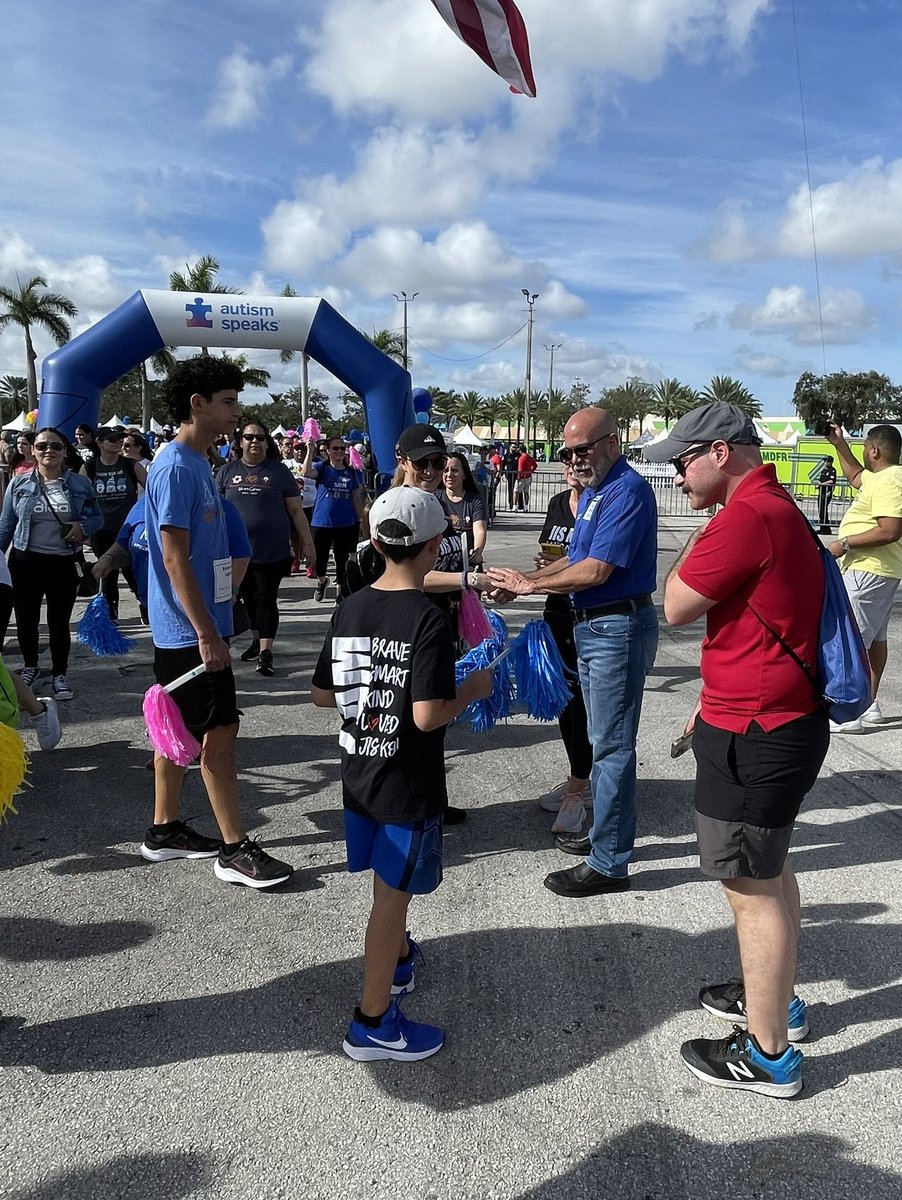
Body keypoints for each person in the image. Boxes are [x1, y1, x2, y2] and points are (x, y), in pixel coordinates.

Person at [647, 401, 828, 1098]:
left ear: (720, 452)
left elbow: (677, 604)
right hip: (772, 720)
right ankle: (774, 1002)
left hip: (755, 732)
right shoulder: (776, 501)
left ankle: (769, 1054)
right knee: (770, 874)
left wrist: (708, 528)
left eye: (682, 462)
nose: (677, 477)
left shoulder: (746, 516)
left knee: (750, 887)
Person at [311, 486, 493, 1062]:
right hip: (405, 783)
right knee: (390, 899)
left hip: (358, 772)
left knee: (386, 890)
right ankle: (373, 1022)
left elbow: (321, 693)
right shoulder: (427, 620)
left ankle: (396, 958)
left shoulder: (352, 605)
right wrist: (472, 688)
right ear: (435, 545)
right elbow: (428, 714)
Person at [488, 407, 658, 896]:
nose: (573, 459)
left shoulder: (626, 491)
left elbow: (596, 571)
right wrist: (526, 580)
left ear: (612, 441)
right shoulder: (597, 494)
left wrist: (525, 588)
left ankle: (609, 862)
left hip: (616, 626)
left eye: (582, 449)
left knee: (611, 747)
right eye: (567, 452)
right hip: (596, 627)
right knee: (603, 740)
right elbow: (574, 557)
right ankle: (606, 837)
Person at [142, 354, 293, 888]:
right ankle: (233, 849)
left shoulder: (200, 463)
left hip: (197, 623)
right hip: (189, 629)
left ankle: (164, 831)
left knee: (177, 728)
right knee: (220, 732)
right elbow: (172, 555)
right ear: (197, 404)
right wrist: (206, 629)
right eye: (228, 402)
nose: (237, 413)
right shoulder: (177, 465)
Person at [0, 427, 103, 701]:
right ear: (32, 450)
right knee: (26, 621)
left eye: (56, 446)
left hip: (63, 562)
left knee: (59, 622)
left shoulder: (80, 485)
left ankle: (60, 674)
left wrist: (81, 526)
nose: (49, 451)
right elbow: (6, 526)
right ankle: (30, 667)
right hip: (25, 561)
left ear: (65, 451)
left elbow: (97, 518)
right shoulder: (18, 484)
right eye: (42, 446)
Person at [216, 420, 315, 675]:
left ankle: (265, 652)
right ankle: (256, 639)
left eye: (260, 438)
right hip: (235, 552)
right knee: (246, 598)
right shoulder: (226, 471)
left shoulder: (278, 471)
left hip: (271, 550)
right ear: (240, 442)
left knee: (265, 598)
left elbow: (296, 510)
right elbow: (213, 511)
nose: (255, 442)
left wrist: (307, 542)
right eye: (249, 437)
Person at [824, 422, 902, 731]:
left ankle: (849, 712)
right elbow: (856, 476)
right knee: (873, 641)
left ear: (874, 451)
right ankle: (868, 704)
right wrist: (838, 444)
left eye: (863, 447)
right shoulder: (881, 477)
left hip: (868, 571)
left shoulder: (890, 481)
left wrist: (843, 544)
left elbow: (890, 529)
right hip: (877, 572)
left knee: (851, 640)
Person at [535, 462, 592, 834]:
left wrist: (535, 578)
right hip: (556, 609)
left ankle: (581, 786)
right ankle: (578, 778)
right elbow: (550, 555)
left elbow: (588, 562)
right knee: (564, 702)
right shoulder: (557, 504)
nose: (571, 465)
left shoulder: (598, 504)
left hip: (586, 614)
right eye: (566, 458)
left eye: (578, 459)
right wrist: (541, 569)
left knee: (586, 706)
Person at [86, 428, 143, 621]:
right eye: (112, 439)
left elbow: (154, 492)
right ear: (100, 442)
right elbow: (80, 500)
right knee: (107, 575)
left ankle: (145, 604)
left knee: (132, 572)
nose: (118, 441)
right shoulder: (90, 467)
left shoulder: (131, 465)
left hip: (127, 528)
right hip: (101, 529)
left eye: (120, 438)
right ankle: (111, 616)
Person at [303, 436, 364, 603]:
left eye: (342, 449)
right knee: (319, 560)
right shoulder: (322, 468)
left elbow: (356, 498)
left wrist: (363, 521)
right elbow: (306, 472)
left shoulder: (351, 472)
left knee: (341, 559)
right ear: (328, 451)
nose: (339, 452)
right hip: (321, 522)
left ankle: (340, 591)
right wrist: (310, 450)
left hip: (344, 523)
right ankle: (322, 582)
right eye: (335, 448)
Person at [440, 452, 487, 564]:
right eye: (445, 470)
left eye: (455, 471)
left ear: (464, 474)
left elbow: (480, 530)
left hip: (468, 561)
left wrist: (477, 552)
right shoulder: (434, 499)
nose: (449, 475)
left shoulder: (475, 501)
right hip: (442, 563)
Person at [815, 454, 837, 534]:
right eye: (825, 461)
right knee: (820, 510)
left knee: (824, 510)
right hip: (821, 492)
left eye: (827, 461)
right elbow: (821, 481)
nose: (825, 463)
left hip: (827, 492)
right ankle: (822, 527)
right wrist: (819, 485)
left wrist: (822, 484)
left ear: (830, 462)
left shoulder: (832, 470)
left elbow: (831, 481)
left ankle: (826, 529)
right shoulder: (824, 471)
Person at [514, 444, 537, 512]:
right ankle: (526, 507)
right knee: (526, 492)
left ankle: (515, 507)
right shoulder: (529, 457)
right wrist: (530, 471)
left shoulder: (521, 457)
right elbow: (535, 465)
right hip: (528, 476)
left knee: (516, 491)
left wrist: (518, 476)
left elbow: (520, 468)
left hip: (521, 477)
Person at [500, 445, 519, 511]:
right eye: (513, 447)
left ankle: (519, 505)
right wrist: (502, 474)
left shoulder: (518, 455)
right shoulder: (506, 456)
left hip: (517, 475)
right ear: (510, 447)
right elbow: (503, 465)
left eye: (515, 447)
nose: (514, 448)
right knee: (510, 490)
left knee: (517, 490)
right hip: (509, 475)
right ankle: (510, 504)